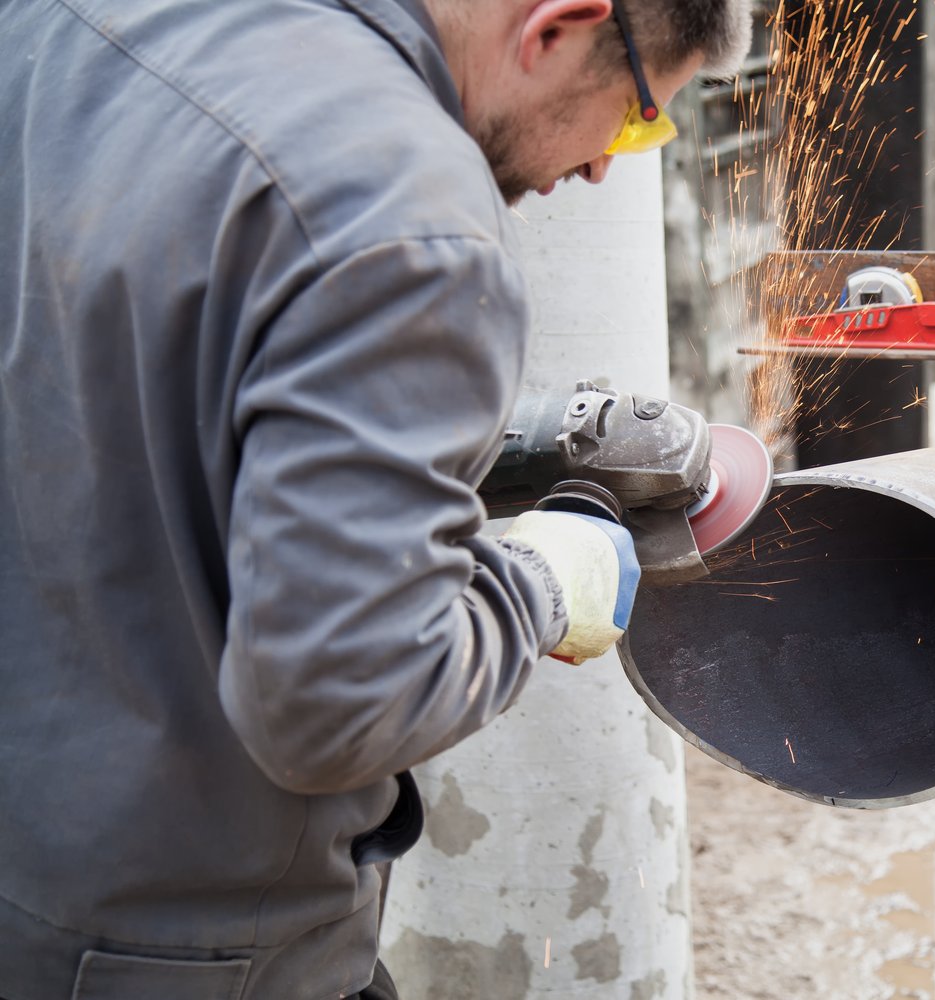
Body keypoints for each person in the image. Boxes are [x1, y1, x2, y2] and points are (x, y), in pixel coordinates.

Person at [0, 0, 750, 996]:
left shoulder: (72, 28)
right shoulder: (414, 218)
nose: (608, 164)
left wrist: (538, 433)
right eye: (635, 116)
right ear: (557, 28)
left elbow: (160, 383)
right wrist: (538, 585)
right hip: (183, 940)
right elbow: (336, 699)